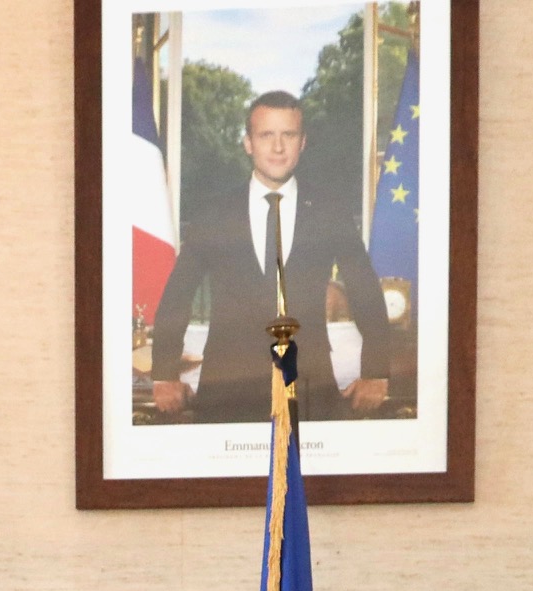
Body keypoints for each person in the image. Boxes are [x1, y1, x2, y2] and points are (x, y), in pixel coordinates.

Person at [144, 88, 394, 424]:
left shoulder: (329, 210)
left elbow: (365, 291)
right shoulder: (213, 214)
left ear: (302, 142)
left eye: (288, 135)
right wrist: (165, 374)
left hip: (310, 394)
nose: (278, 147)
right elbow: (177, 297)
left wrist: (376, 372)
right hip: (226, 395)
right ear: (248, 143)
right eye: (266, 135)